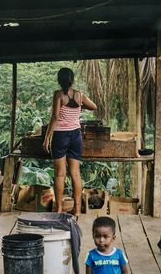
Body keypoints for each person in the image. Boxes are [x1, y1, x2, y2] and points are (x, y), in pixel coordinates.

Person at [43, 67, 97, 215]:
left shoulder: (58, 95)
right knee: (76, 174)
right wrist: (80, 105)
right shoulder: (79, 95)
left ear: (59, 81)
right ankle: (77, 209)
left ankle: (59, 208)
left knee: (60, 174)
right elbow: (93, 106)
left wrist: (47, 137)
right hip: (76, 135)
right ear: (72, 80)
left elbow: (55, 118)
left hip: (61, 135)